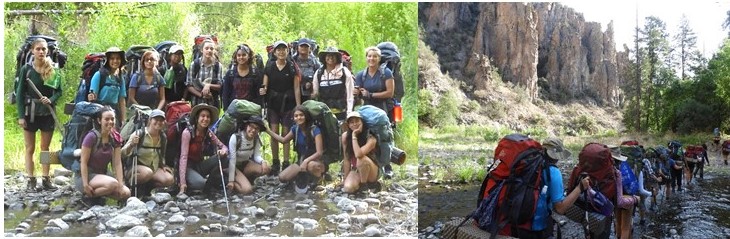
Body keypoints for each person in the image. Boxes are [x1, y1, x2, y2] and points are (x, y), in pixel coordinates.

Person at [506, 138, 590, 238]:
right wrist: (580, 187)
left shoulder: (528, 164)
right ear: (557, 156)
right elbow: (560, 208)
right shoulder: (553, 172)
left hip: (513, 222)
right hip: (535, 228)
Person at [15, 37, 62, 191]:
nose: (41, 51)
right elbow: (20, 93)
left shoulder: (53, 68)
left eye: (44, 49)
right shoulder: (26, 70)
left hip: (47, 113)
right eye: (38, 49)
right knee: (30, 148)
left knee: (45, 148)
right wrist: (21, 116)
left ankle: (46, 179)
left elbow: (59, 91)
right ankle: (30, 179)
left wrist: (51, 99)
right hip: (30, 113)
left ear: (47, 50)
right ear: (32, 51)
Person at [260, 40, 301, 176]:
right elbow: (265, 85)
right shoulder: (270, 66)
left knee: (286, 133)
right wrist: (263, 91)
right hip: (273, 104)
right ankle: (276, 162)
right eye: (279, 50)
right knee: (274, 133)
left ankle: (286, 162)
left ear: (287, 51)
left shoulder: (291, 67)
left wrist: (298, 105)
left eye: (284, 49)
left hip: (288, 104)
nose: (281, 52)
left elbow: (296, 87)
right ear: (275, 52)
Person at [75, 107, 131, 206]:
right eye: (107, 119)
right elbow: (83, 162)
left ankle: (97, 195)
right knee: (112, 184)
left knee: (126, 193)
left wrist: (121, 184)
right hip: (86, 175)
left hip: (103, 174)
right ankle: (87, 197)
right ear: (99, 121)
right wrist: (85, 185)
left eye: (112, 119)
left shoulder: (115, 138)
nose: (110, 122)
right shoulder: (91, 137)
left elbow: (117, 163)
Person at [354, 46, 395, 178]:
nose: (372, 59)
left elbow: (390, 92)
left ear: (379, 59)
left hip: (382, 110)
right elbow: (359, 93)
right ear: (366, 58)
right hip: (366, 112)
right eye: (369, 56)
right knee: (367, 137)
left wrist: (371, 95)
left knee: (384, 137)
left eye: (375, 56)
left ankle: (387, 165)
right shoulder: (361, 75)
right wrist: (357, 93)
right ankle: (368, 164)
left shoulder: (386, 73)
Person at [265, 105, 324, 190]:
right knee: (282, 177)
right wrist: (268, 131)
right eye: (296, 116)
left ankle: (318, 179)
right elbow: (283, 140)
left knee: (311, 166)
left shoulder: (315, 130)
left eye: (301, 115)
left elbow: (319, 152)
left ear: (306, 116)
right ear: (293, 118)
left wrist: (306, 161)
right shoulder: (295, 129)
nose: (299, 118)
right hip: (301, 161)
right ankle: (301, 179)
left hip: (316, 161)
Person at [121, 109, 175, 197]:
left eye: (161, 120)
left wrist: (163, 165)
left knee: (169, 179)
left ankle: (147, 189)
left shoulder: (163, 137)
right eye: (156, 120)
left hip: (153, 169)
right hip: (134, 169)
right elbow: (122, 153)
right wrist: (131, 144)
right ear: (150, 120)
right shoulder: (139, 134)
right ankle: (130, 186)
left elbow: (162, 154)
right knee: (147, 173)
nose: (159, 122)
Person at [178, 104, 228, 195]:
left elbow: (223, 146)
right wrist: (182, 183)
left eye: (208, 117)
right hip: (187, 168)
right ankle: (201, 183)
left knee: (225, 158)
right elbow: (183, 158)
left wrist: (223, 151)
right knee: (201, 184)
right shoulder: (187, 133)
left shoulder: (208, 132)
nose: (205, 119)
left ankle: (210, 181)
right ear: (197, 118)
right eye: (203, 116)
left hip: (199, 166)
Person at [226, 116, 271, 195]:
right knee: (247, 190)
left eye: (256, 128)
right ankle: (230, 181)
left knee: (267, 168)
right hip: (232, 166)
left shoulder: (256, 139)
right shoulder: (236, 138)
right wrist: (231, 181)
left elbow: (257, 156)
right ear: (246, 126)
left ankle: (244, 179)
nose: (253, 130)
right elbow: (232, 160)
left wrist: (263, 161)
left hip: (245, 164)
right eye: (251, 126)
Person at [341, 112, 381, 193]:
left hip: (371, 170)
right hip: (356, 169)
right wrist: (345, 178)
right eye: (351, 122)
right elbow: (347, 159)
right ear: (348, 125)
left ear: (362, 122)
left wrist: (354, 136)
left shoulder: (371, 138)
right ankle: (359, 185)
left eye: (357, 121)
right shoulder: (345, 136)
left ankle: (365, 186)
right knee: (348, 188)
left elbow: (358, 154)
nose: (354, 124)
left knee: (361, 159)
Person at [88, 47, 127, 128]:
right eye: (112, 58)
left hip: (114, 113)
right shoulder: (99, 75)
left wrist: (123, 119)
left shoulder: (120, 78)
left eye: (118, 58)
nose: (115, 61)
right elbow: (92, 97)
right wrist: (91, 97)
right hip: (100, 113)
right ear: (108, 60)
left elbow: (122, 100)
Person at [312, 46, 355, 120]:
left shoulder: (344, 72)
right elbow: (315, 92)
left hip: (341, 112)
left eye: (333, 55)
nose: (331, 58)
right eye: (328, 55)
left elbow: (350, 94)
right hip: (324, 113)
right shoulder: (319, 73)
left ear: (337, 58)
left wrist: (349, 112)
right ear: (324, 58)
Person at [610, 147, 641, 239]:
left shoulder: (604, 168)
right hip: (625, 198)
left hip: (612, 199)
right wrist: (635, 199)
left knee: (618, 223)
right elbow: (630, 185)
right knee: (626, 228)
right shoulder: (619, 169)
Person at [222, 44, 262, 111]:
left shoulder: (255, 73)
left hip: (251, 109)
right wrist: (226, 109)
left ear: (248, 56)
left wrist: (258, 108)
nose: (241, 57)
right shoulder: (230, 73)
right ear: (236, 57)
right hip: (234, 109)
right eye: (239, 55)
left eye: (244, 55)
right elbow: (225, 93)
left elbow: (258, 93)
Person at [187, 39, 224, 108]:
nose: (209, 50)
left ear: (214, 51)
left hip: (213, 103)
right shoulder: (194, 65)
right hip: (196, 103)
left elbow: (220, 85)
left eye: (211, 49)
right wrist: (201, 95)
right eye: (206, 48)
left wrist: (208, 85)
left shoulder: (218, 66)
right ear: (202, 50)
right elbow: (189, 85)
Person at [292, 38, 321, 102]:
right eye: (301, 46)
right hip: (294, 93)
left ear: (310, 49)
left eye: (306, 46)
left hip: (310, 94)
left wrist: (312, 84)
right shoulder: (293, 61)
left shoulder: (314, 62)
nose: (304, 48)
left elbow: (320, 74)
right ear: (297, 48)